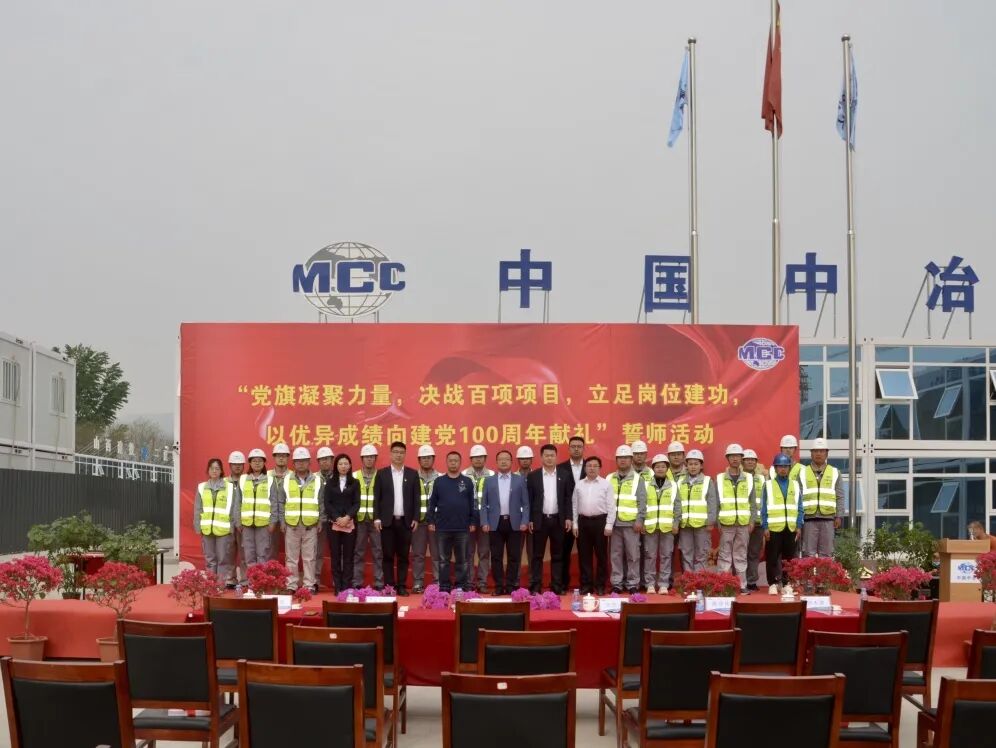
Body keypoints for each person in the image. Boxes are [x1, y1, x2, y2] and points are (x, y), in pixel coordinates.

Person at [426, 451, 478, 592]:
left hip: (463, 527)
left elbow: (473, 503)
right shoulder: (439, 481)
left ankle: (460, 586)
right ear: (447, 462)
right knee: (444, 560)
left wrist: (473, 521)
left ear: (460, 463)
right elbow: (432, 503)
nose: (453, 463)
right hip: (443, 528)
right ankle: (444, 586)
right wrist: (431, 520)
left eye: (456, 460)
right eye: (451, 460)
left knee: (462, 560)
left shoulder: (467, 482)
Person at [374, 441, 419, 596]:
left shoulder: (412, 474)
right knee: (387, 555)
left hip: (406, 522)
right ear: (390, 454)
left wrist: (416, 518)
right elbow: (377, 498)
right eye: (395, 452)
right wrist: (377, 518)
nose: (398, 455)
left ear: (405, 455)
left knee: (403, 556)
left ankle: (401, 585)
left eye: (401, 452)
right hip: (387, 521)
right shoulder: (382, 474)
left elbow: (416, 498)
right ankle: (389, 587)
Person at [481, 450, 530, 594]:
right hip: (495, 523)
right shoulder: (489, 481)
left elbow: (526, 503)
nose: (503, 461)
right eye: (501, 459)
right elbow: (483, 504)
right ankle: (498, 586)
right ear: (496, 462)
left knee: (514, 556)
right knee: (496, 557)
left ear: (511, 462)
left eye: (507, 459)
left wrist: (525, 521)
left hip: (515, 523)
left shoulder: (519, 480)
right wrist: (484, 521)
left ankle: (510, 586)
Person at [527, 444, 570, 594]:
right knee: (537, 555)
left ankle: (556, 585)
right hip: (540, 520)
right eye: (546, 455)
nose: (549, 458)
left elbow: (568, 498)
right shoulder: (533, 476)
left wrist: (568, 517)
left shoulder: (564, 475)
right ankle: (536, 585)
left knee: (558, 555)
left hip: (558, 520)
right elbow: (529, 500)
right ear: (541, 457)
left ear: (556, 457)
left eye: (552, 455)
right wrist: (530, 519)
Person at [713, 444, 756, 593]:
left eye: (738, 456)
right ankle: (723, 585)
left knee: (741, 554)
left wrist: (752, 521)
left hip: (743, 523)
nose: (735, 458)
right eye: (732, 456)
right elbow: (716, 503)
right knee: (724, 555)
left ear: (741, 458)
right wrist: (718, 522)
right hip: (726, 524)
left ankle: (742, 585)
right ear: (727, 458)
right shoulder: (719, 479)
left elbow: (752, 503)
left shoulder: (749, 478)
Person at [281, 447, 324, 592]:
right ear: (293, 463)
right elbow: (281, 502)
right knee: (291, 558)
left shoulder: (317, 480)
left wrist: (320, 520)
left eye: (304, 461)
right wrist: (282, 521)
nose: (301, 463)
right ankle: (291, 585)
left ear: (309, 462)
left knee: (309, 557)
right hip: (291, 524)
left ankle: (309, 585)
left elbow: (321, 502)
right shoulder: (286, 479)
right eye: (298, 461)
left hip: (310, 525)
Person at [607, 444, 647, 594]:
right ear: (616, 460)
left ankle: (632, 583)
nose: (623, 460)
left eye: (626, 457)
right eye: (620, 458)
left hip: (631, 524)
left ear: (631, 460)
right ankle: (617, 583)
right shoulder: (609, 478)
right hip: (614, 524)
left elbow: (642, 502)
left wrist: (639, 520)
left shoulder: (638, 479)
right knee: (615, 555)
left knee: (633, 555)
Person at [762, 453, 804, 594]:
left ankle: (786, 583)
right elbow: (763, 508)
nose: (783, 469)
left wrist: (799, 525)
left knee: (789, 558)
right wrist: (765, 527)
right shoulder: (768, 485)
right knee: (772, 557)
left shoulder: (795, 485)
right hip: (773, 528)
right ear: (775, 468)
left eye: (786, 466)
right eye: (780, 466)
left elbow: (800, 507)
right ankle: (773, 583)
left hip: (791, 528)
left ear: (789, 468)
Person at [572, 455, 614, 594]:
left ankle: (600, 585)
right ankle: (586, 585)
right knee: (584, 556)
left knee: (601, 556)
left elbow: (611, 506)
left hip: (600, 522)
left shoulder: (606, 484)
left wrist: (609, 524)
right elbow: (574, 505)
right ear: (585, 468)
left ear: (599, 468)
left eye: (595, 466)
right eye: (589, 466)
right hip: (583, 522)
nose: (592, 468)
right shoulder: (579, 484)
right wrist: (575, 524)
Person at [642, 454, 680, 594]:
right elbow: (642, 505)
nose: (660, 469)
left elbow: (677, 506)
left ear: (667, 468)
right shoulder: (646, 485)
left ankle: (664, 584)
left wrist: (676, 523)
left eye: (663, 466)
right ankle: (650, 584)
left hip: (667, 528)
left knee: (666, 556)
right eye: (657, 466)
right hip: (650, 527)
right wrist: (642, 522)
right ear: (653, 469)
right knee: (650, 556)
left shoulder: (674, 486)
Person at [800, 438, 845, 558]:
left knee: (826, 554)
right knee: (808, 554)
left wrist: (839, 516)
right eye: (815, 451)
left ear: (826, 453)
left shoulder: (835, 472)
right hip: (808, 519)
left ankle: (825, 572)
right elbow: (798, 498)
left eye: (821, 451)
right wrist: (798, 519)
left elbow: (840, 496)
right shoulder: (802, 472)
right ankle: (808, 572)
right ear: (811, 453)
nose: (818, 454)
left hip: (828, 519)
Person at [195, 457, 237, 582]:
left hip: (224, 530)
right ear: (208, 470)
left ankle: (220, 585)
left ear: (221, 471)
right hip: (207, 530)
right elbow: (198, 508)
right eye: (212, 468)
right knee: (210, 559)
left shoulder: (230, 488)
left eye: (217, 468)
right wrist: (198, 527)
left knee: (223, 559)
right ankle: (210, 584)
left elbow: (234, 509)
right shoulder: (202, 487)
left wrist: (232, 527)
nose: (214, 471)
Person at [323, 454, 359, 594]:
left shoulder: (355, 483)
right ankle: (338, 586)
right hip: (334, 523)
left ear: (350, 466)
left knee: (348, 556)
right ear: (336, 466)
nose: (343, 466)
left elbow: (356, 503)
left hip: (350, 523)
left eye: (346, 464)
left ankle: (347, 586)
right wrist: (338, 518)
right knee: (336, 555)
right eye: (340, 464)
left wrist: (347, 517)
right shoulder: (329, 483)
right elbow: (327, 503)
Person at [463, 445, 495, 593]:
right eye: (475, 457)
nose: (478, 459)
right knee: (468, 552)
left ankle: (482, 582)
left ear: (485, 458)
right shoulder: (463, 474)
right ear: (471, 459)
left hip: (485, 518)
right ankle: (468, 582)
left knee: (484, 552)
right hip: (468, 517)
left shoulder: (492, 475)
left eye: (480, 457)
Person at [238, 448, 276, 571]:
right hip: (246, 525)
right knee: (249, 554)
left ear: (264, 463)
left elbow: (274, 503)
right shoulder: (243, 480)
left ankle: (261, 580)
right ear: (249, 463)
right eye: (254, 461)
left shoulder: (270, 480)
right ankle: (251, 580)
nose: (257, 463)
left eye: (260, 461)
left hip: (264, 525)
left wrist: (272, 522)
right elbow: (237, 503)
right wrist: (238, 522)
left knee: (263, 554)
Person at [352, 444, 384, 590]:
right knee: (358, 552)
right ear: (362, 459)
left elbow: (384, 499)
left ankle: (379, 582)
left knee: (378, 552)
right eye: (367, 457)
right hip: (359, 520)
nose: (369, 459)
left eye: (372, 457)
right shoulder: (354, 476)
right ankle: (357, 582)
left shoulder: (381, 476)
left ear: (375, 459)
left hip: (376, 521)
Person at [676, 449, 713, 572]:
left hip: (702, 525)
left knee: (701, 552)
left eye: (696, 464)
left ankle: (699, 579)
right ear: (686, 465)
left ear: (701, 466)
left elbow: (712, 502)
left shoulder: (707, 481)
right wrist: (677, 521)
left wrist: (710, 521)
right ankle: (688, 579)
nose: (693, 467)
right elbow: (676, 503)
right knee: (686, 552)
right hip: (685, 524)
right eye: (690, 464)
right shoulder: (680, 481)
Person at [556, 436, 585, 591]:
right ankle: (562, 583)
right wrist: (567, 516)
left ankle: (586, 584)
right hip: (566, 517)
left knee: (585, 553)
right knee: (563, 552)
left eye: (579, 446)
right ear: (568, 449)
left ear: (583, 448)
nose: (576, 449)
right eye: (573, 446)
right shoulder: (560, 468)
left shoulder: (590, 466)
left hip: (585, 516)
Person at [411, 444, 440, 593]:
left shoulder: (441, 477)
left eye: (429, 457)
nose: (426, 460)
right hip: (419, 522)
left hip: (436, 523)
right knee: (418, 555)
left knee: (437, 554)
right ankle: (418, 583)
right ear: (419, 460)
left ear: (433, 459)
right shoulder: (412, 477)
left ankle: (438, 582)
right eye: (423, 458)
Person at [743, 448, 768, 591]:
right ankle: (739, 581)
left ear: (756, 462)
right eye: (747, 459)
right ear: (743, 462)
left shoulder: (762, 479)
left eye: (753, 460)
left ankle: (751, 581)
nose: (750, 462)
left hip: (758, 523)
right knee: (740, 553)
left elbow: (767, 501)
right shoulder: (738, 478)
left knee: (754, 553)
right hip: (741, 522)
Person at [313, 446, 335, 588]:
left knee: (337, 552)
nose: (325, 462)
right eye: (322, 459)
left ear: (332, 460)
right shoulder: (313, 478)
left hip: (336, 521)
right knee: (317, 551)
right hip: (318, 521)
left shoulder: (339, 476)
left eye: (327, 459)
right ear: (318, 462)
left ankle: (337, 580)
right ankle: (315, 580)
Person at [267, 442, 292, 561]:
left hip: (289, 517)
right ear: (274, 457)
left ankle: (288, 572)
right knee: (269, 549)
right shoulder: (266, 475)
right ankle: (270, 571)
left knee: (291, 550)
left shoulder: (293, 476)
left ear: (288, 457)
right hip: (270, 517)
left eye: (284, 455)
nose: (281, 458)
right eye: (278, 455)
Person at [515, 445, 535, 588]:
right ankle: (514, 581)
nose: (525, 461)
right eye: (522, 458)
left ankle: (533, 582)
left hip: (533, 521)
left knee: (533, 554)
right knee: (516, 553)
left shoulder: (537, 476)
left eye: (528, 458)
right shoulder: (513, 477)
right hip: (517, 521)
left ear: (532, 460)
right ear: (518, 460)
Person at [226, 451, 246, 586]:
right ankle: (230, 579)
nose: (237, 466)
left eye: (240, 464)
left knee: (245, 553)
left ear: (244, 465)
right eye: (234, 464)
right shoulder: (224, 483)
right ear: (230, 465)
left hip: (243, 523)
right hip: (227, 522)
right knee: (229, 552)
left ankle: (245, 579)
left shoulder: (247, 481)